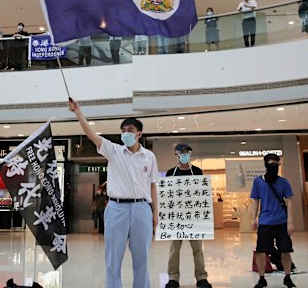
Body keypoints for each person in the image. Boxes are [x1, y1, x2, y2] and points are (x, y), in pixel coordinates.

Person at [68, 99, 158, 288]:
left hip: (142, 209)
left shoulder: (149, 157)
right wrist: (78, 112)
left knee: (142, 259)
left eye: (130, 130)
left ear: (139, 133)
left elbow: (153, 186)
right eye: (123, 130)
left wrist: (155, 213)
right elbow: (91, 135)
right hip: (117, 209)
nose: (126, 134)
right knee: (113, 259)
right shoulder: (114, 151)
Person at [164, 144, 212, 288]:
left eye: (187, 153)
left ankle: (201, 277)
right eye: (182, 153)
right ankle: (173, 278)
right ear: (176, 154)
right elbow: (166, 194)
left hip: (193, 216)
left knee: (198, 249)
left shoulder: (197, 171)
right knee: (174, 250)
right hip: (176, 216)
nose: (185, 155)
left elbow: (202, 193)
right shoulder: (170, 173)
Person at [250, 153, 296, 288]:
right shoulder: (258, 182)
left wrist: (290, 222)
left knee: (285, 250)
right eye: (270, 164)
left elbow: (290, 202)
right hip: (265, 222)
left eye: (276, 164)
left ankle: (287, 277)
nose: (273, 166)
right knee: (260, 251)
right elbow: (255, 201)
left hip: (281, 222)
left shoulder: (283, 182)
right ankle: (261, 278)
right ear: (265, 165)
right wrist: (253, 218)